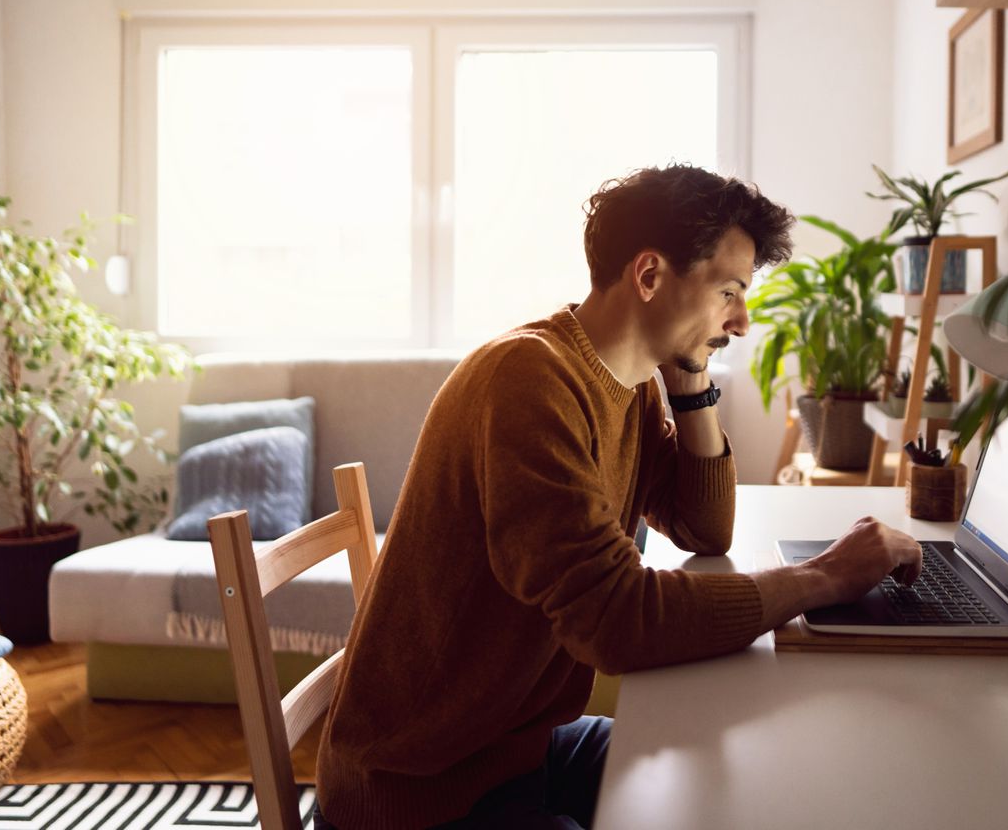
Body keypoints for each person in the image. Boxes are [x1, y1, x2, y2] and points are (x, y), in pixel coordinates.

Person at [316, 165, 923, 829]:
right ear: (651, 275)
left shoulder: (626, 385)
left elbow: (703, 528)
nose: (741, 321)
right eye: (728, 292)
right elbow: (615, 621)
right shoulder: (528, 381)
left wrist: (691, 380)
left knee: (746, 785)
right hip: (421, 791)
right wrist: (824, 577)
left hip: (509, 749)